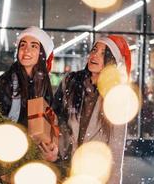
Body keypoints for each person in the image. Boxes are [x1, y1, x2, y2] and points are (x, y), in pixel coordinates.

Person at [52, 35, 131, 184]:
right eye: (94, 50)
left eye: (103, 53)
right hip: (64, 166)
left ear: (112, 62)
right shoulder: (71, 82)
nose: (95, 55)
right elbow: (56, 118)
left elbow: (116, 148)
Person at [0, 26, 58, 181]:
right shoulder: (5, 82)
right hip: (8, 165)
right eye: (23, 45)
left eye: (33, 46)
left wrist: (52, 148)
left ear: (42, 54)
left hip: (33, 164)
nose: (26, 50)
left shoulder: (44, 85)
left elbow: (51, 122)